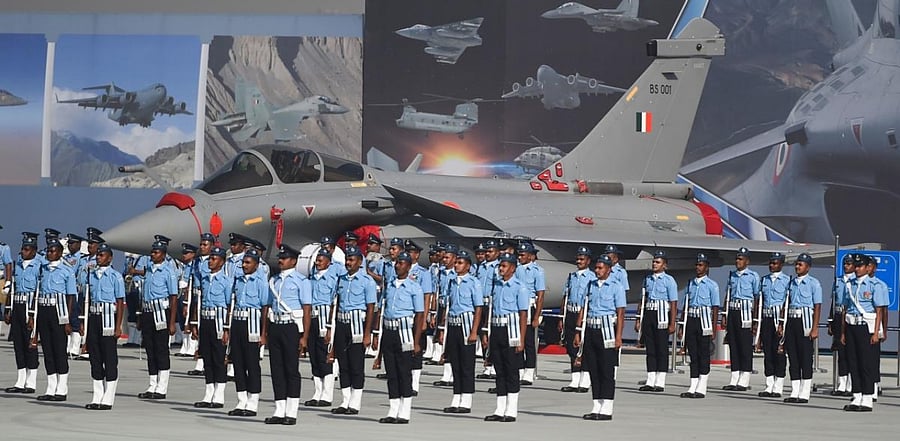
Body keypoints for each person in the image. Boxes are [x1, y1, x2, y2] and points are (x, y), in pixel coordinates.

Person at [376, 251, 425, 424]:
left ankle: (404, 411)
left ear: (409, 266)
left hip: (405, 331)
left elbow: (420, 315)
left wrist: (416, 341)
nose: (398, 266)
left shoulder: (414, 287)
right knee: (391, 372)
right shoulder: (390, 285)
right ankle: (393, 409)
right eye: (397, 263)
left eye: (402, 263)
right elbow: (383, 310)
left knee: (404, 371)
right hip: (389, 330)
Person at [575, 254, 625, 421]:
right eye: (596, 268)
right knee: (593, 369)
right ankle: (596, 405)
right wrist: (578, 331)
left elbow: (620, 313)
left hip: (607, 329)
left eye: (600, 268)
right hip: (591, 328)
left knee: (606, 369)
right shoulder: (591, 285)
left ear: (609, 269)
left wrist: (618, 336)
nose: (597, 271)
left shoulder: (616, 286)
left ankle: (607, 407)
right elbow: (584, 307)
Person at [264, 244, 310, 425]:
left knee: (291, 369)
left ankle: (291, 412)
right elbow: (268, 306)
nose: (280, 260)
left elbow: (307, 310)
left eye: (284, 258)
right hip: (276, 325)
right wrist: (266, 331)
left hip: (291, 327)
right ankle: (279, 410)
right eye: (280, 258)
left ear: (294, 261)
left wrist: (304, 337)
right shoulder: (273, 280)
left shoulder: (301, 281)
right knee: (277, 369)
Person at [331, 245, 377, 415]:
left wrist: (368, 333)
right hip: (342, 324)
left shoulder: (367, 281)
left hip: (358, 325)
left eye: (351, 260)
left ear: (359, 262)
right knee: (343, 363)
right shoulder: (341, 279)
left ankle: (355, 402)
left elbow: (371, 308)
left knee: (356, 364)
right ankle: (344, 401)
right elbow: (336, 305)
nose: (348, 263)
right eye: (347, 260)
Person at [484, 252, 529, 423]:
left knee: (511, 371)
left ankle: (511, 410)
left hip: (512, 330)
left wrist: (521, 340)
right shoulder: (497, 286)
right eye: (500, 265)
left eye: (504, 266)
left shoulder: (520, 287)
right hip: (497, 329)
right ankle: (499, 408)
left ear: (513, 268)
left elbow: (523, 315)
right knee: (499, 370)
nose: (501, 269)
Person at [224, 247, 268, 417]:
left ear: (256, 265)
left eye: (248, 262)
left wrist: (264, 333)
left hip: (253, 324)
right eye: (243, 262)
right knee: (238, 363)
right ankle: (241, 400)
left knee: (252, 364)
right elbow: (231, 305)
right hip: (238, 322)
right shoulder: (238, 280)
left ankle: (252, 402)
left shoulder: (261, 281)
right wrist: (228, 328)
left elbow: (265, 307)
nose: (244, 265)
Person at [841, 253, 888, 412]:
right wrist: (842, 333)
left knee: (865, 363)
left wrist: (877, 333)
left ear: (867, 268)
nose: (857, 269)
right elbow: (845, 308)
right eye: (856, 266)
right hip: (851, 325)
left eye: (860, 266)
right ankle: (857, 395)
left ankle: (867, 397)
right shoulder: (850, 284)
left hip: (866, 327)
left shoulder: (873, 285)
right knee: (853, 362)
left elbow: (879, 310)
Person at [440, 250, 483, 414]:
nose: (457, 265)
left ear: (468, 266)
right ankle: (456, 397)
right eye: (456, 262)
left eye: (460, 263)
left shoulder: (473, 282)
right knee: (455, 363)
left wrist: (474, 331)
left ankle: (466, 400)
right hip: (453, 324)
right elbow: (448, 304)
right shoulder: (451, 281)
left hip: (466, 324)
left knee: (466, 364)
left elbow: (478, 308)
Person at [303, 247, 346, 407]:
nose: (317, 263)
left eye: (320, 260)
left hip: (325, 317)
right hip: (313, 316)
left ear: (329, 262)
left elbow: (335, 302)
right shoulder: (312, 277)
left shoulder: (333, 278)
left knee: (325, 355)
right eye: (316, 260)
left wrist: (329, 326)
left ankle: (327, 395)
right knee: (313, 355)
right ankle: (317, 392)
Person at [35, 237, 77, 402]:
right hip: (44, 310)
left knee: (59, 350)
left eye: (53, 251)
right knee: (47, 350)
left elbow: (71, 297)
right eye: (48, 251)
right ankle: (51, 387)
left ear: (60, 253)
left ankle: (62, 388)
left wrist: (67, 320)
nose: (49, 254)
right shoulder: (43, 269)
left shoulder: (67, 271)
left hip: (59, 312)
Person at [84, 243, 125, 410]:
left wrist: (118, 326)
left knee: (109, 358)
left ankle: (108, 397)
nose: (98, 258)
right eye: (98, 255)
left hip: (109, 318)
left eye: (102, 255)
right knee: (95, 357)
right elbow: (87, 300)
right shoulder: (91, 276)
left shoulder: (116, 277)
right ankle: (97, 395)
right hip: (94, 317)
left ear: (110, 257)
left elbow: (121, 302)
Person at [137, 238, 178, 400]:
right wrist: (140, 316)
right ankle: (152, 384)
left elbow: (174, 297)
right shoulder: (148, 270)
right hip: (148, 312)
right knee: (150, 349)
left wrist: (172, 322)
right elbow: (143, 296)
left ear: (164, 254)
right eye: (152, 252)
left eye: (156, 252)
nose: (153, 255)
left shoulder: (168, 271)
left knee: (161, 349)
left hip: (162, 312)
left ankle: (162, 387)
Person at [192, 246, 231, 409]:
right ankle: (208, 394)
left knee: (218, 359)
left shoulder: (227, 281)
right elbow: (199, 302)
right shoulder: (205, 279)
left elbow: (230, 305)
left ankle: (219, 395)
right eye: (210, 258)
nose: (210, 261)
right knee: (206, 357)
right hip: (205, 320)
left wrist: (227, 329)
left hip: (219, 321)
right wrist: (195, 323)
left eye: (214, 259)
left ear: (222, 262)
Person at [3, 233, 41, 394]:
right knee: (18, 344)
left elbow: (39, 290)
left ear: (34, 250)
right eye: (22, 249)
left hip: (30, 306)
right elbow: (13, 287)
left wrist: (32, 314)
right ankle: (20, 381)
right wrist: (7, 308)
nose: (23, 252)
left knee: (30, 344)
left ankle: (31, 382)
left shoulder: (39, 265)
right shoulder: (19, 265)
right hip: (17, 305)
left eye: (26, 249)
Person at [782, 253, 821, 404]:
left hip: (805, 321)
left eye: (801, 264)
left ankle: (805, 392)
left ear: (808, 267)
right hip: (792, 320)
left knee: (805, 357)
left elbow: (817, 306)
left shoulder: (813, 283)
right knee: (793, 356)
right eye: (797, 264)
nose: (797, 267)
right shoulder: (791, 283)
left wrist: (815, 327)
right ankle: (794, 390)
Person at [679, 252, 720, 399]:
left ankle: (702, 386)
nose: (698, 267)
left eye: (701, 265)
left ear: (707, 267)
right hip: (691, 318)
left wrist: (714, 328)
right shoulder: (690, 283)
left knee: (703, 354)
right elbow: (686, 304)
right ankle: (693, 385)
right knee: (693, 354)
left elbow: (715, 307)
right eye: (697, 264)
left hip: (704, 321)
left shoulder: (712, 285)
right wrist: (682, 326)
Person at [637, 250, 677, 392]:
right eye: (654, 261)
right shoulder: (647, 279)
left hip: (662, 315)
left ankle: (660, 381)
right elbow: (642, 300)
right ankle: (650, 380)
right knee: (650, 349)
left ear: (664, 265)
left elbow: (673, 303)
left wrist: (672, 323)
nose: (654, 264)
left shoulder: (669, 281)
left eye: (658, 262)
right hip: (649, 313)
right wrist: (639, 319)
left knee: (661, 348)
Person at [560, 246, 596, 393]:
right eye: (578, 259)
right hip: (571, 313)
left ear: (588, 260)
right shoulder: (571, 276)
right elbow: (565, 296)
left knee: (584, 347)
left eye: (582, 259)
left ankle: (585, 380)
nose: (579, 261)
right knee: (571, 347)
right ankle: (574, 380)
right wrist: (562, 317)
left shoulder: (592, 277)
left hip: (584, 314)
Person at [722, 247, 759, 391]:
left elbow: (757, 298)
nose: (738, 261)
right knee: (734, 345)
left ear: (747, 261)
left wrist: (755, 319)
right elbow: (728, 295)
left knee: (744, 346)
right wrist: (724, 315)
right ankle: (734, 377)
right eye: (737, 258)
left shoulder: (753, 276)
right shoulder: (732, 275)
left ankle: (744, 379)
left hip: (745, 312)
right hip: (733, 311)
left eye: (741, 259)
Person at [756, 252, 789, 398]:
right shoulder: (764, 280)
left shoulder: (787, 280)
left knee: (779, 352)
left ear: (781, 264)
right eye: (771, 263)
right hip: (766, 317)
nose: (772, 265)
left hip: (779, 319)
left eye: (775, 263)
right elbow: (759, 300)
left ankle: (778, 386)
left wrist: (782, 322)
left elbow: (788, 302)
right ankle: (769, 385)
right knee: (768, 352)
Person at [404, 239, 433, 396]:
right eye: (407, 251)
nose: (409, 254)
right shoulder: (401, 269)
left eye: (411, 252)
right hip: (404, 315)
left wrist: (424, 318)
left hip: (417, 314)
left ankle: (414, 383)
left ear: (417, 254)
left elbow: (427, 295)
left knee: (416, 349)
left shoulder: (423, 273)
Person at [515, 241, 545, 386]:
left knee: (529, 342)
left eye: (522, 254)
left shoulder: (537, 271)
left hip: (529, 306)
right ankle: (519, 369)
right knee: (517, 339)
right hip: (517, 307)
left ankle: (529, 371)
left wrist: (537, 315)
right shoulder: (516, 269)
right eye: (518, 254)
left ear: (530, 256)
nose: (519, 257)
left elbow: (540, 294)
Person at [432, 243, 459, 386]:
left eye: (448, 257)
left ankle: (453, 375)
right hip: (442, 306)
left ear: (454, 258)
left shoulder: (457, 274)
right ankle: (446, 375)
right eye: (444, 257)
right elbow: (437, 291)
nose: (444, 259)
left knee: (451, 342)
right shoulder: (441, 272)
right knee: (443, 340)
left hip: (453, 308)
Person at [829, 254, 855, 396]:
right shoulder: (838, 281)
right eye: (845, 263)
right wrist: (830, 321)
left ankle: (851, 384)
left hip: (849, 316)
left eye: (849, 263)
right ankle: (841, 384)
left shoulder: (855, 281)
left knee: (851, 352)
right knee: (841, 352)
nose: (846, 266)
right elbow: (834, 302)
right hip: (838, 316)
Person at [865, 257, 888, 402]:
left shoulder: (880, 285)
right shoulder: (857, 284)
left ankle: (873, 388)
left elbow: (883, 310)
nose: (867, 268)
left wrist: (883, 330)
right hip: (859, 325)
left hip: (874, 325)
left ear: (874, 268)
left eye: (870, 266)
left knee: (873, 359)